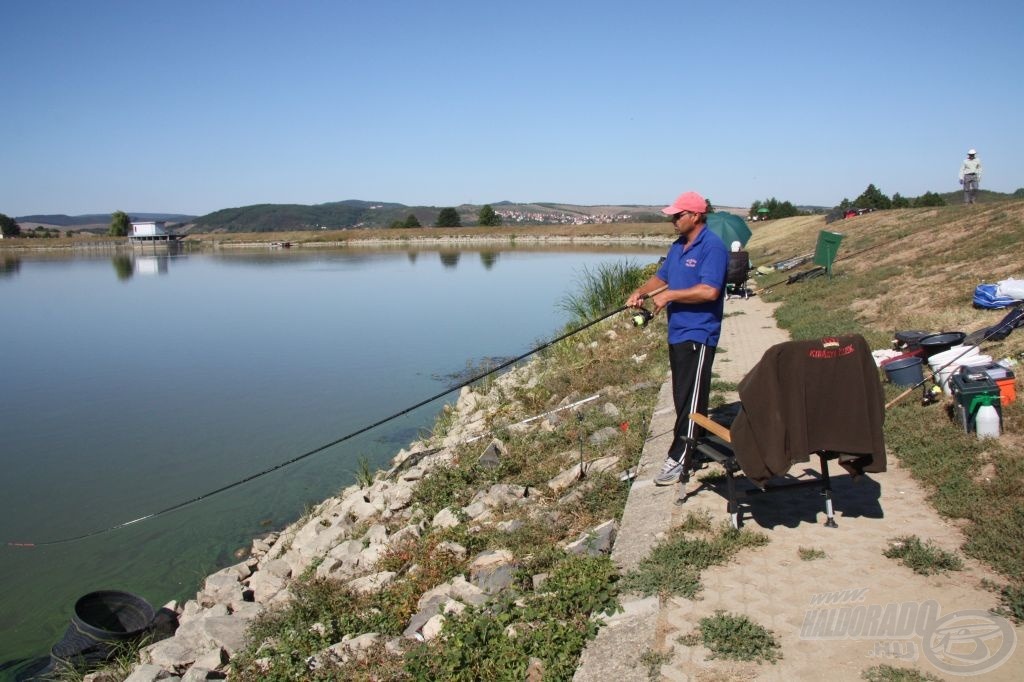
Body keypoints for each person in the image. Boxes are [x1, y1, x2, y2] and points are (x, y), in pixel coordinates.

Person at [626, 191, 728, 486]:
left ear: (695, 216)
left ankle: (681, 456)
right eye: (672, 215)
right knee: (683, 394)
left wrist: (670, 296)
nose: (673, 220)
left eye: (678, 215)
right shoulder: (678, 246)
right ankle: (695, 443)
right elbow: (662, 278)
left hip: (700, 332)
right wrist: (642, 292)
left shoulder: (713, 247)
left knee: (691, 399)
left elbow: (710, 291)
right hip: (678, 331)